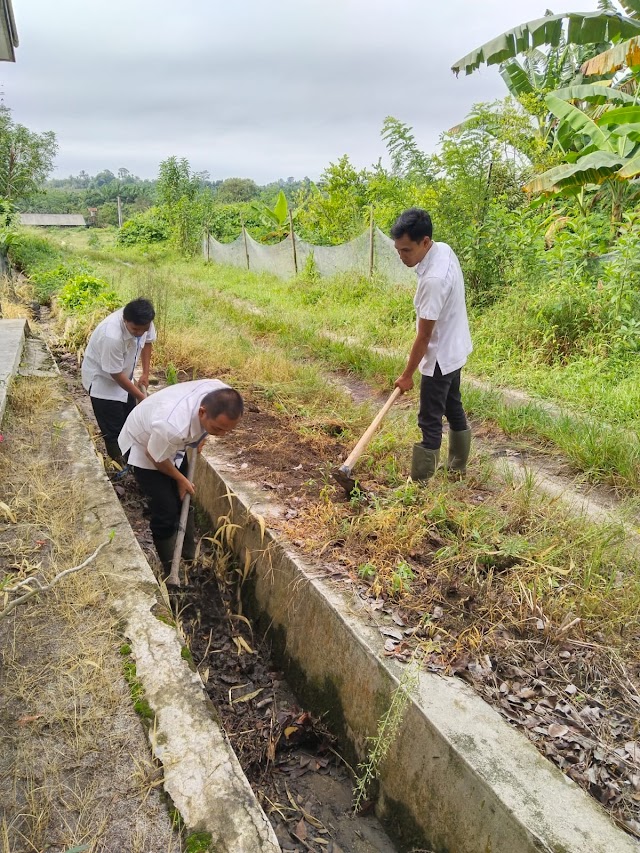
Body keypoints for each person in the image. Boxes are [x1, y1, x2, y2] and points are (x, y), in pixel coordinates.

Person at [118, 379, 244, 573]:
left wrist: (204, 434)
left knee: (184, 497)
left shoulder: (221, 392)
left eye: (228, 430)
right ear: (202, 412)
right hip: (144, 446)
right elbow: (155, 457)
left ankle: (188, 553)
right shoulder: (172, 426)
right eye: (218, 428)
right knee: (165, 509)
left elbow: (207, 426)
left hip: (170, 442)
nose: (223, 435)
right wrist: (180, 478)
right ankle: (171, 567)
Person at [391, 208, 472, 481]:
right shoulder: (443, 249)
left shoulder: (434, 281)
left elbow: (424, 337)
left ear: (424, 242)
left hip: (439, 358)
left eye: (406, 250)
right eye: (398, 250)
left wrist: (406, 376)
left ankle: (421, 482)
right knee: (453, 406)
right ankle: (457, 467)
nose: (401, 256)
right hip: (456, 348)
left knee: (429, 418)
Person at [81, 298, 156, 468]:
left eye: (143, 330)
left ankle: (133, 462)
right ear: (125, 320)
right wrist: (142, 397)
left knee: (129, 423)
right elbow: (114, 373)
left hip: (124, 377)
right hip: (103, 382)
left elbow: (148, 343)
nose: (139, 333)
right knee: (113, 429)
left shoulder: (145, 323)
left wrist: (145, 373)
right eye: (135, 329)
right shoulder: (112, 335)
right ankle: (121, 468)